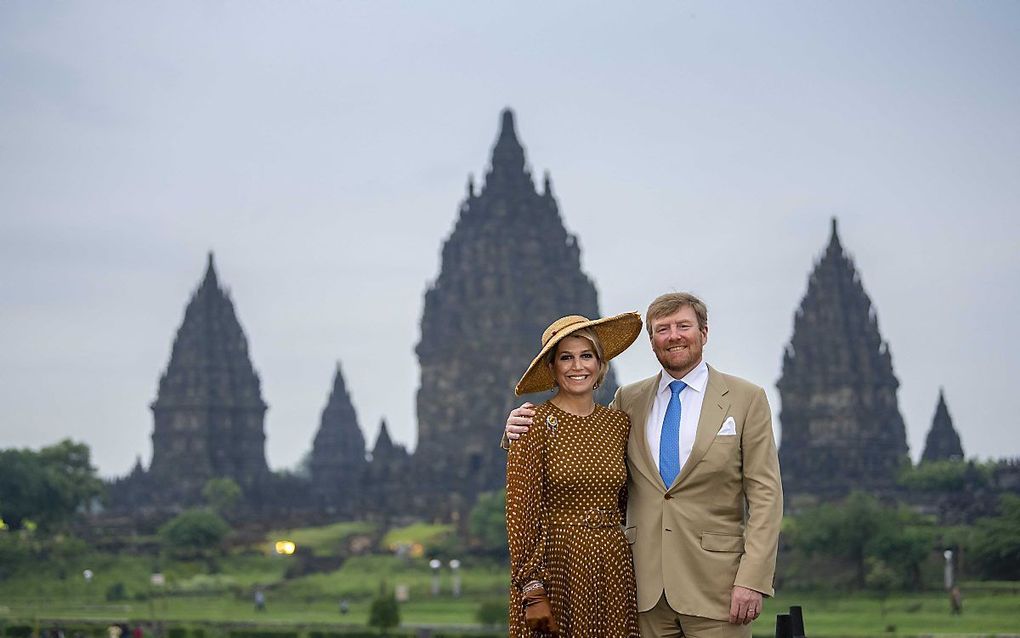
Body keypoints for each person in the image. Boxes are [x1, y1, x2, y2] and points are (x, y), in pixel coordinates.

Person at [506, 293, 783, 638]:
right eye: (662, 329)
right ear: (652, 342)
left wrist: (753, 580)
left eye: (683, 326)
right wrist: (514, 434)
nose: (674, 336)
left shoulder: (745, 399)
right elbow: (530, 499)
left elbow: (766, 498)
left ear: (704, 333)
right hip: (636, 588)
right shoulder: (629, 402)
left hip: (714, 588)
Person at [506, 312, 644, 638]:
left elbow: (626, 500)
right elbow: (520, 513)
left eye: (586, 356)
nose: (577, 366)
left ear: (600, 364)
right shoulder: (533, 423)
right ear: (552, 368)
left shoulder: (618, 424)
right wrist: (531, 585)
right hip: (556, 563)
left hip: (612, 562)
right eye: (566, 358)